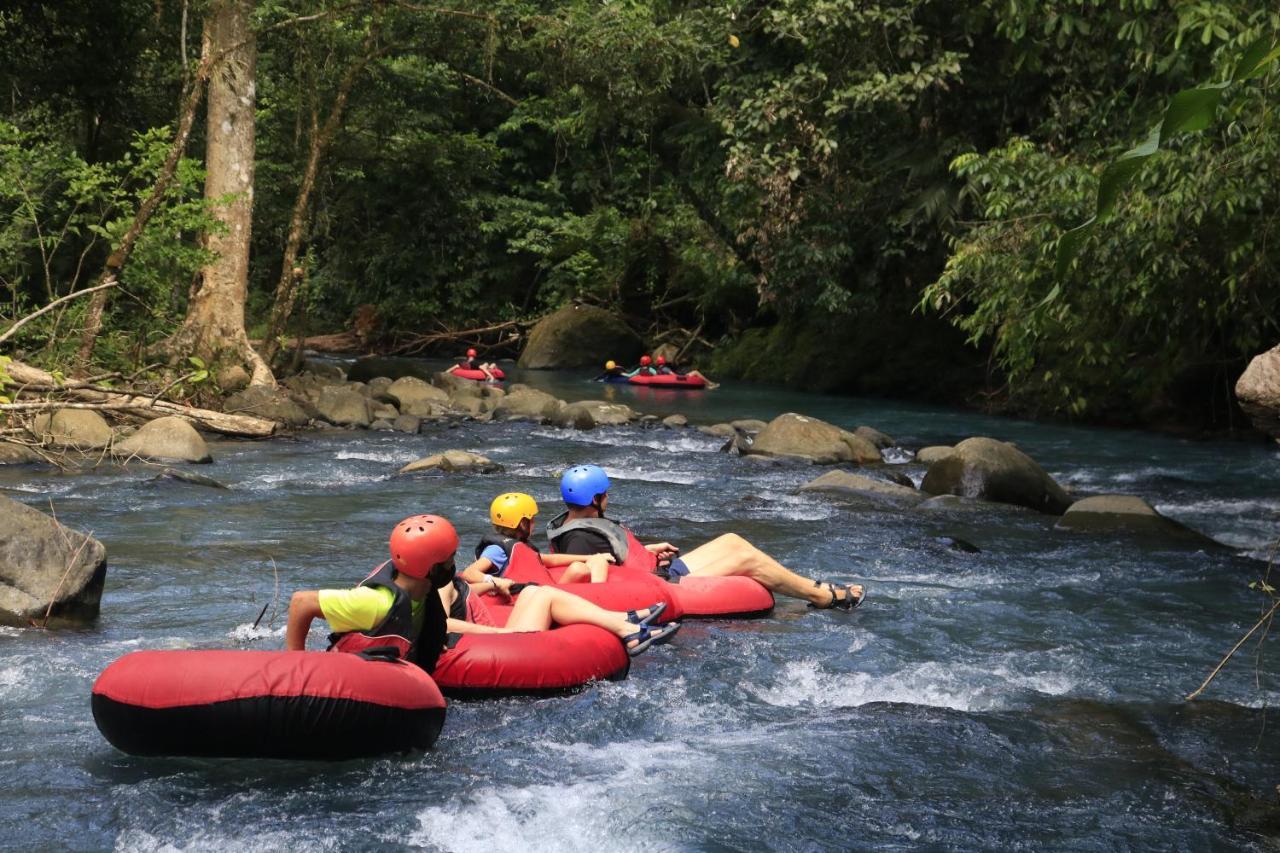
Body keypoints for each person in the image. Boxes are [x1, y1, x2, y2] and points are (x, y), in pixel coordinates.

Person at [546, 465, 865, 610]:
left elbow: (611, 557)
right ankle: (819, 595)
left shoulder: (574, 522)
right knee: (746, 558)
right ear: (596, 499)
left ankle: (812, 588)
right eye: (606, 495)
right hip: (659, 585)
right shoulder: (581, 538)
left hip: (655, 571)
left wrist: (645, 550)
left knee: (731, 540)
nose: (609, 500)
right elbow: (602, 579)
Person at [285, 514, 457, 672]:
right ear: (433, 568)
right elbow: (301, 602)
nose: (453, 565)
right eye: (450, 559)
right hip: (349, 680)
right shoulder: (377, 602)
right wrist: (297, 666)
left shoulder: (424, 592)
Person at [440, 563, 680, 657]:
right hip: (497, 644)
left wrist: (493, 583)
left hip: (492, 640)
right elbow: (443, 623)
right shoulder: (440, 586)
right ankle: (628, 629)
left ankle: (623, 620)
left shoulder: (436, 583)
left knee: (531, 592)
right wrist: (499, 634)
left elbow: (462, 590)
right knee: (544, 595)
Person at [462, 492, 612, 584]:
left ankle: (598, 594)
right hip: (526, 596)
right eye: (531, 520)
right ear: (522, 524)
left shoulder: (520, 545)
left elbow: (549, 559)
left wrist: (592, 557)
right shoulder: (496, 550)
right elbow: (470, 573)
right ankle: (598, 598)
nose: (535, 523)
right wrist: (498, 583)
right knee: (579, 569)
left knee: (597, 560)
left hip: (538, 590)